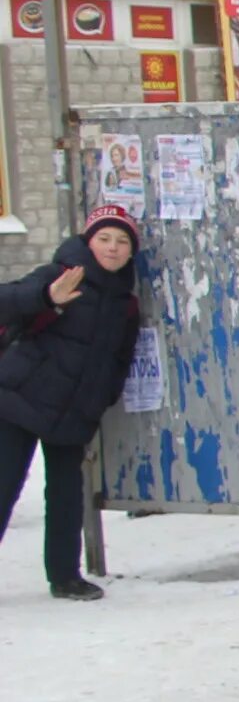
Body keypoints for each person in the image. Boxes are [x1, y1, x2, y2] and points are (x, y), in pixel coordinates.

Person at [0, 205, 143, 599]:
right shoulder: (61, 273)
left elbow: (120, 360)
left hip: (74, 411)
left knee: (66, 497)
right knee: (3, 487)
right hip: (20, 401)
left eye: (122, 242)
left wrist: (100, 398)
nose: (112, 249)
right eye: (104, 239)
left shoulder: (125, 304)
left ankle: (65, 576)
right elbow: (7, 300)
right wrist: (47, 296)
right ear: (88, 241)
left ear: (131, 252)